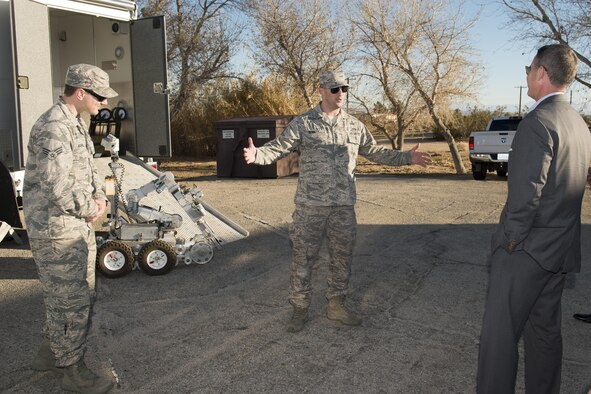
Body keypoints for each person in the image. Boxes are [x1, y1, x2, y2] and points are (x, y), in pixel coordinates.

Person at [243, 70, 431, 333]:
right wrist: (257, 154)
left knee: (341, 259)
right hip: (310, 207)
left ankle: (337, 306)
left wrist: (406, 158)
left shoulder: (354, 125)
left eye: (344, 88)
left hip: (343, 206)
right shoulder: (304, 123)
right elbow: (279, 147)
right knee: (303, 259)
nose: (340, 93)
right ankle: (299, 308)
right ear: (321, 91)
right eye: (335, 89)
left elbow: (374, 151)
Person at [476, 44, 591, 394]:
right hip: (558, 251)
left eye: (529, 68)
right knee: (543, 334)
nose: (527, 74)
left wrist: (509, 243)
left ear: (541, 73)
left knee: (499, 338)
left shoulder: (537, 123)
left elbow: (526, 195)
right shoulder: (578, 123)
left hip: (526, 251)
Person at [24, 64, 117, 394]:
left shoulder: (74, 124)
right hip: (57, 232)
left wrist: (96, 197)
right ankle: (71, 371)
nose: (104, 102)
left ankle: (51, 353)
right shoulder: (53, 127)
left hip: (75, 227)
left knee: (78, 297)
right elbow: (57, 186)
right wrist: (91, 207)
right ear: (80, 92)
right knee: (70, 303)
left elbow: (84, 172)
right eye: (100, 96)